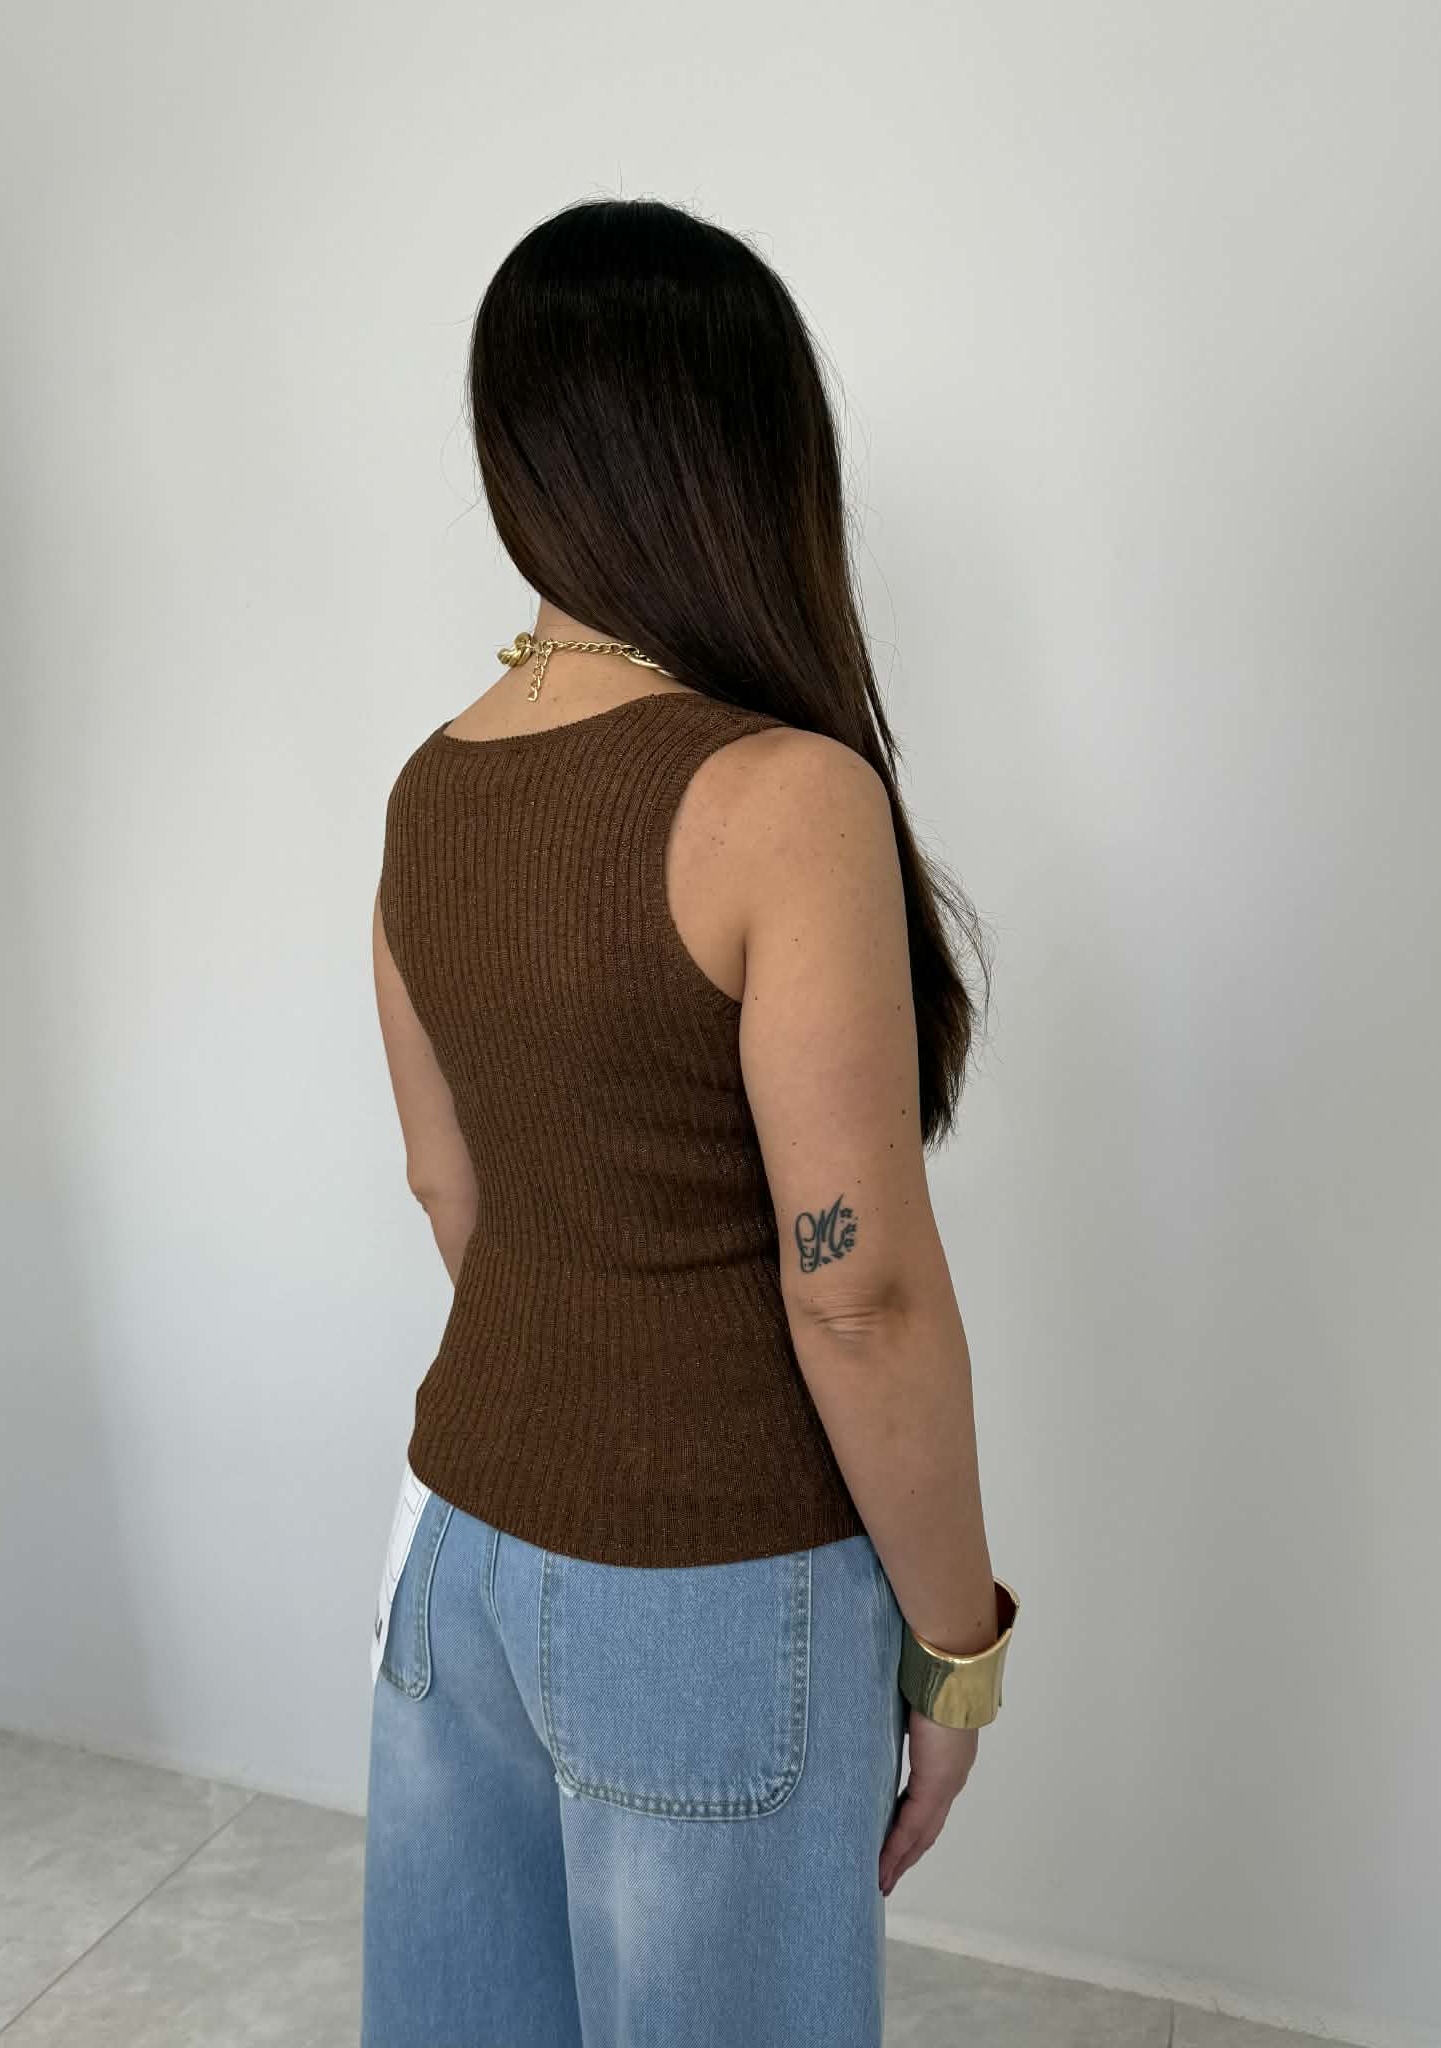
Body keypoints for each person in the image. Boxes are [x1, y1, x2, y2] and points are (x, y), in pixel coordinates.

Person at [360, 196, 1019, 2048]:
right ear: (746, 457)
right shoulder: (779, 794)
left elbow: (448, 1188)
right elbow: (856, 1288)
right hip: (709, 1591)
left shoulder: (428, 790)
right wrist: (956, 1653)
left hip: (457, 1545)